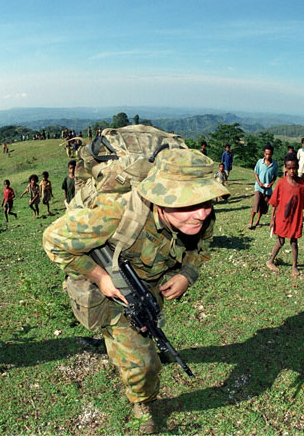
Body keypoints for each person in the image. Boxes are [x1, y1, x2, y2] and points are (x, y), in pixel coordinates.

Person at [42, 149, 229, 433]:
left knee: (141, 336)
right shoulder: (115, 214)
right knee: (144, 363)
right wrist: (99, 276)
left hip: (146, 288)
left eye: (207, 202)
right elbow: (53, 240)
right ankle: (142, 401)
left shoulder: (201, 219)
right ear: (161, 200)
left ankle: (121, 349)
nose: (203, 213)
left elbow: (200, 250)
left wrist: (187, 275)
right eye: (191, 204)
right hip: (105, 287)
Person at [266, 153, 304, 276]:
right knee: (281, 241)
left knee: (294, 242)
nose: (291, 171)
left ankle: (294, 266)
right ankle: (270, 261)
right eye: (289, 168)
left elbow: (302, 204)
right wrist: (272, 218)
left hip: (295, 218)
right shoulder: (281, 183)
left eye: (294, 168)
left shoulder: (302, 183)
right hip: (282, 217)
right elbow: (274, 202)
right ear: (285, 168)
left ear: (297, 167)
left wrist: (300, 220)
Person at [249, 144, 278, 229]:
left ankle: (257, 221)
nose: (268, 156)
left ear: (272, 154)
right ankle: (250, 221)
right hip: (259, 187)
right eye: (266, 154)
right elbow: (255, 173)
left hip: (268, 190)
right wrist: (259, 183)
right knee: (256, 204)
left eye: (269, 154)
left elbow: (275, 176)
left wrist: (271, 183)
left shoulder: (274, 165)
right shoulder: (259, 162)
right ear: (264, 154)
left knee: (263, 206)